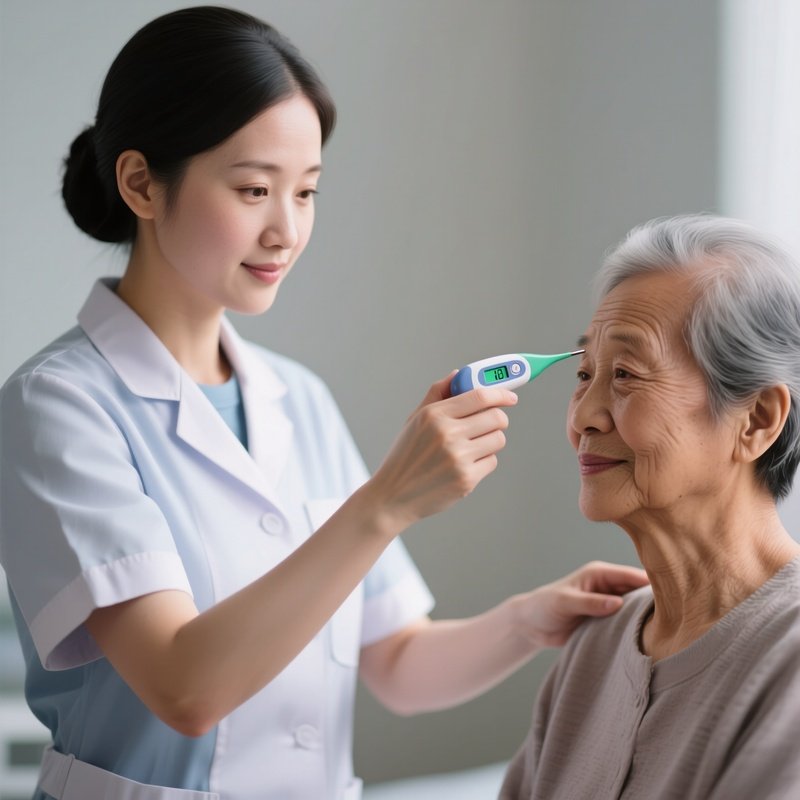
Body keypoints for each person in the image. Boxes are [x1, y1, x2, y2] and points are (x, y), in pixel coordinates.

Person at [0, 8, 648, 800]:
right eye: (252, 189)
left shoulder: (295, 400)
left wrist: (530, 619)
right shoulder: (57, 408)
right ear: (140, 182)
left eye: (306, 192)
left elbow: (397, 663)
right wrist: (384, 504)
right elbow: (184, 687)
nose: (286, 230)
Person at [499, 213, 800, 800]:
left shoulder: (788, 655)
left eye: (626, 375)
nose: (584, 415)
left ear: (757, 420)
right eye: (584, 373)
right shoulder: (597, 646)